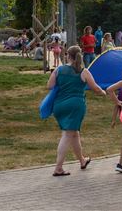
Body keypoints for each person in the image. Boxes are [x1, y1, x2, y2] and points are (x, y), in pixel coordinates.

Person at [46, 46, 106, 176]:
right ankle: (58, 168)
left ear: (68, 55)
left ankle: (82, 160)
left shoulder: (59, 69)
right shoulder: (84, 72)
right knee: (68, 134)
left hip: (59, 106)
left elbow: (49, 85)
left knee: (74, 134)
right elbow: (95, 88)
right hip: (75, 106)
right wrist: (103, 92)